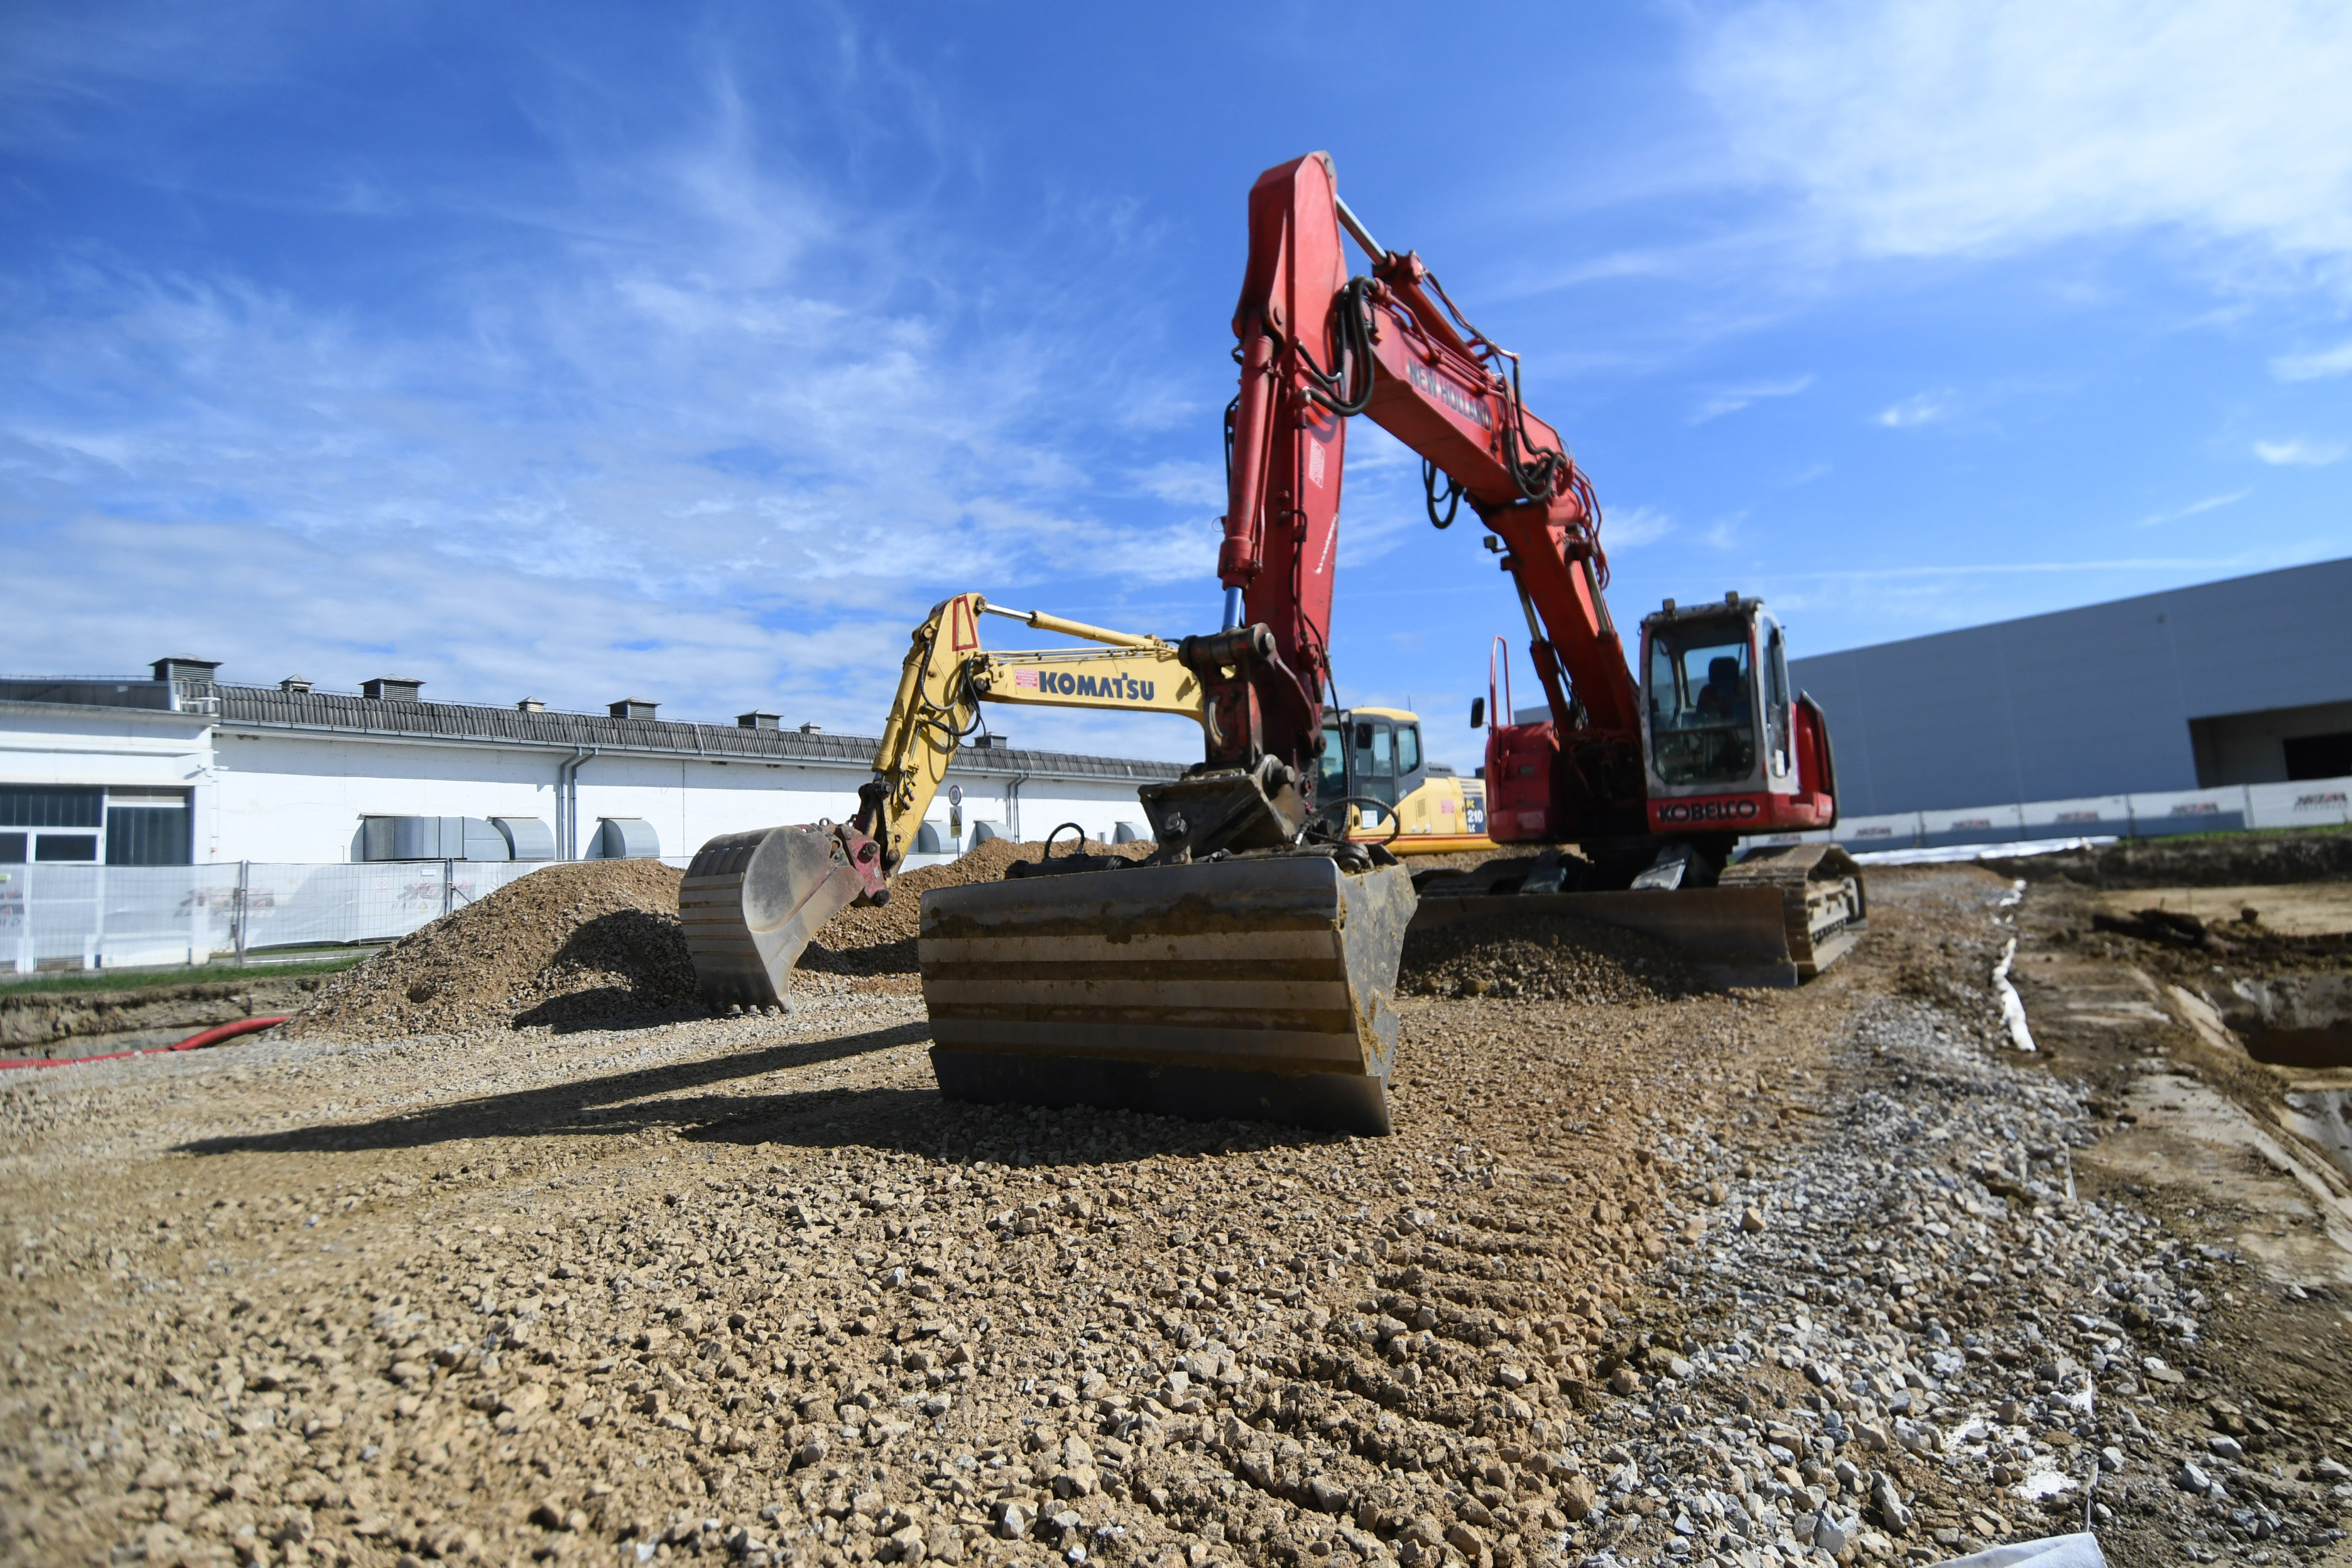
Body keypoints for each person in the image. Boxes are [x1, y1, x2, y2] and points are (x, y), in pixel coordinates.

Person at [1696, 656, 1748, 723]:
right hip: (1715, 729)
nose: (1723, 685)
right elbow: (1699, 719)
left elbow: (1750, 714)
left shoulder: (1742, 689)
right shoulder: (1707, 693)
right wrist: (1708, 718)